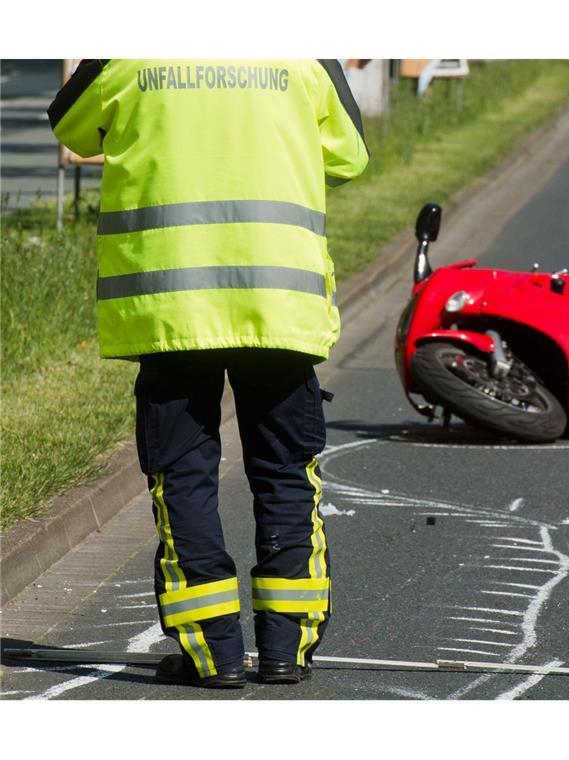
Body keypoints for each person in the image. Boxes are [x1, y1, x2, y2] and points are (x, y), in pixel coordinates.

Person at [48, 59, 369, 688]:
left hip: (170, 308)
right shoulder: (303, 51)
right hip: (276, 303)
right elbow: (349, 157)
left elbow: (73, 128)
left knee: (183, 477)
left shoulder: (127, 47)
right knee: (285, 472)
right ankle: (286, 649)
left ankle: (212, 654)